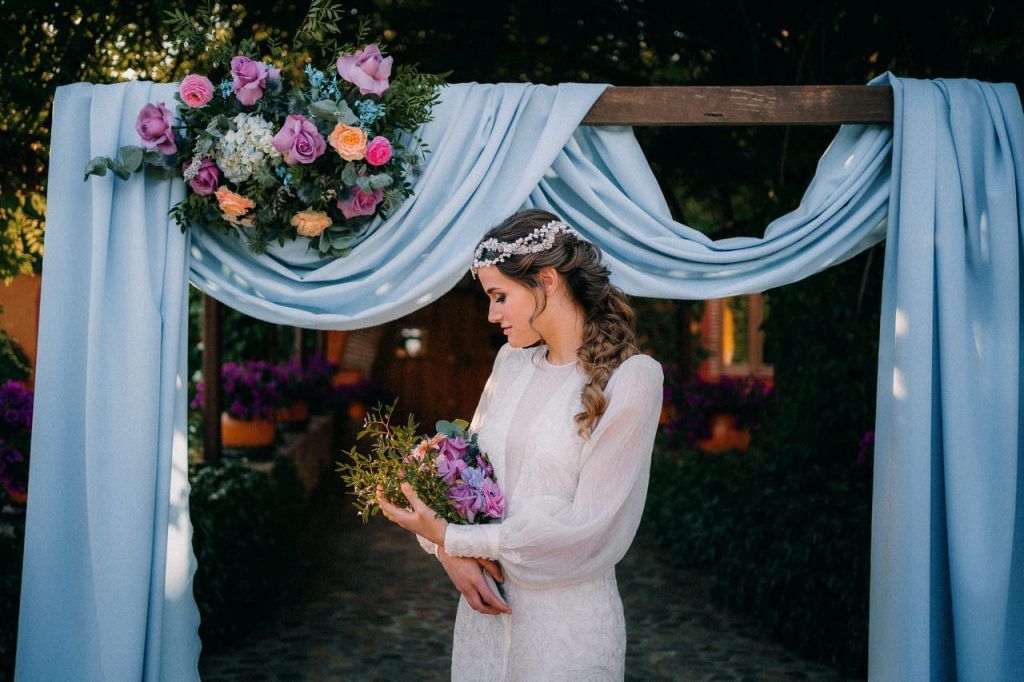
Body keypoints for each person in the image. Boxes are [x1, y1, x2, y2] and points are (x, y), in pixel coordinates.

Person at [376, 208, 664, 680]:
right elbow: (464, 479)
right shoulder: (509, 364)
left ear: (546, 281)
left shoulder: (633, 379)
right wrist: (450, 554)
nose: (491, 315)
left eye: (499, 296)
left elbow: (591, 532)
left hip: (566, 632)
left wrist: (453, 539)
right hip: (485, 618)